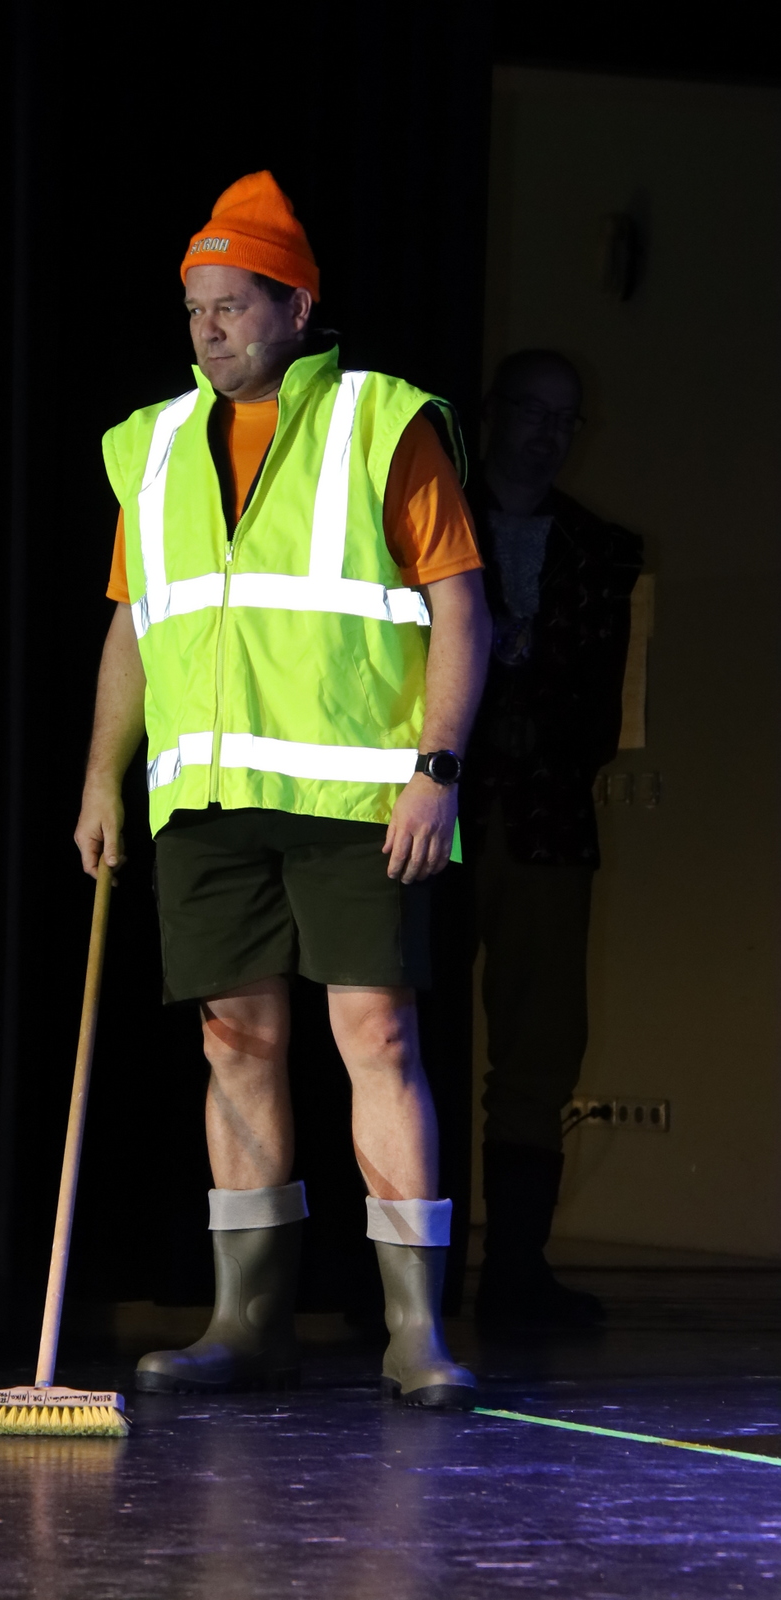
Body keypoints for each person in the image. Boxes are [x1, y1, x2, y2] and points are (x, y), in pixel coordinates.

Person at [75, 172, 492, 1407]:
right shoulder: (152, 445)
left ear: (295, 306)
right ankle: (246, 1319)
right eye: (193, 308)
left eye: (231, 305)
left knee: (376, 1036)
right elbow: (134, 624)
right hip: (206, 797)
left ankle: (413, 1330)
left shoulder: (377, 420)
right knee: (234, 1040)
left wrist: (435, 768)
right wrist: (101, 776)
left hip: (358, 798)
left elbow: (461, 608)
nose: (206, 329)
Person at [461, 350, 643, 1328]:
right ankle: (403, 1274)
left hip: (545, 822)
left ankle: (515, 1268)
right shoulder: (435, 520)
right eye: (531, 411)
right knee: (412, 1035)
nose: (545, 433)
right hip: (438, 816)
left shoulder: (598, 550)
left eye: (563, 418)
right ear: (494, 412)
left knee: (538, 1048)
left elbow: (604, 701)